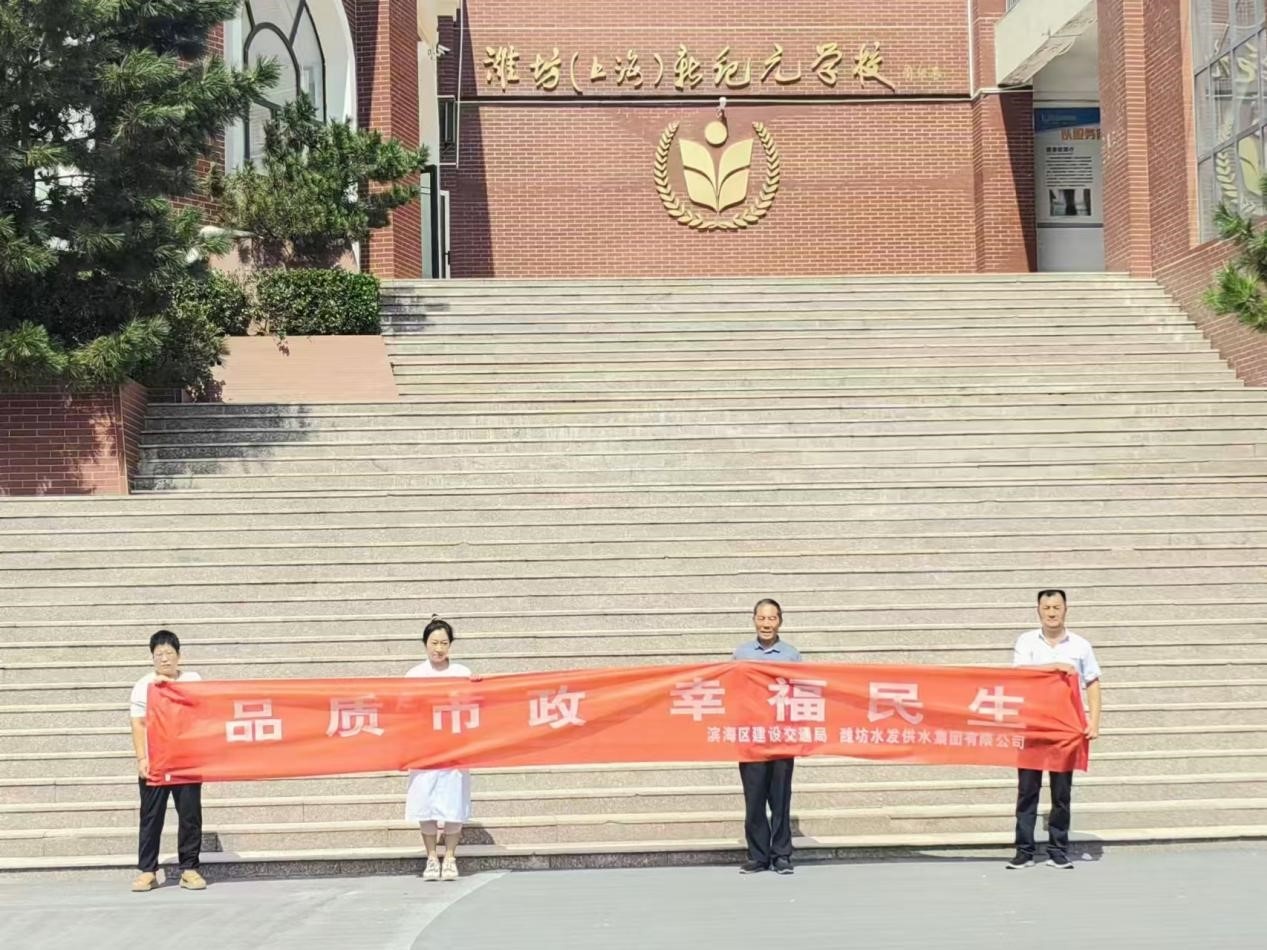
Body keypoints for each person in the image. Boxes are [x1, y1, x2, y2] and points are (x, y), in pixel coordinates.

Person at [1006, 589, 1102, 870]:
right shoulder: (1026, 641)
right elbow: (1019, 674)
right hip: (1032, 726)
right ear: (1038, 610)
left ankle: (1058, 849)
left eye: (1056, 607)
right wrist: (1056, 667)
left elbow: (1093, 682)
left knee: (1061, 792)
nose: (1051, 612)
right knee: (1027, 790)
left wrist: (1094, 721)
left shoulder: (1081, 645)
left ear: (1065, 609)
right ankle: (1024, 850)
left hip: (1065, 729)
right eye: (1046, 607)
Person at [129, 629, 206, 892]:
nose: (164, 658)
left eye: (169, 653)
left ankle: (190, 869)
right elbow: (138, 724)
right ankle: (147, 871)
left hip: (187, 760)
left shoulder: (193, 679)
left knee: (190, 815)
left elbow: (202, 709)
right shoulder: (144, 685)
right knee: (151, 817)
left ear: (179, 656)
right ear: (152, 658)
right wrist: (142, 758)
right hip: (156, 761)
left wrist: (171, 688)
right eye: (159, 654)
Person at [732, 598, 802, 875]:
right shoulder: (741, 654)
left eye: (771, 618)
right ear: (754, 620)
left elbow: (802, 692)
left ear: (780, 621)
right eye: (761, 618)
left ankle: (781, 855)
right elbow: (733, 691)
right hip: (751, 738)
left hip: (782, 736)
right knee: (755, 798)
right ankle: (758, 856)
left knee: (781, 798)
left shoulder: (791, 655)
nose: (766, 624)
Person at [406, 617, 474, 882]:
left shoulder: (462, 672)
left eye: (444, 643)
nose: (439, 648)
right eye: (434, 643)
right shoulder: (414, 675)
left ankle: (451, 858)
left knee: (453, 802)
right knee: (426, 803)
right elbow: (404, 710)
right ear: (425, 644)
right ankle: (432, 857)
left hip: (454, 747)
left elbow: (474, 706)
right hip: (424, 748)